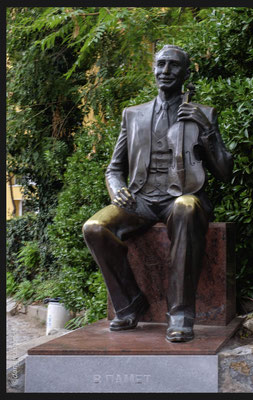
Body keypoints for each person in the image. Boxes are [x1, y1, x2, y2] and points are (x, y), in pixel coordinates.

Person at [82, 45, 233, 342]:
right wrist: (117, 190)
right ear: (153, 69)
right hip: (141, 198)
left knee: (186, 207)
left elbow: (225, 172)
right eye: (160, 64)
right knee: (95, 227)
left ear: (185, 73)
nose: (165, 71)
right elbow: (114, 168)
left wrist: (208, 132)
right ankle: (129, 304)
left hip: (184, 196)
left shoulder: (203, 114)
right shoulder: (133, 115)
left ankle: (180, 314)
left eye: (173, 66)